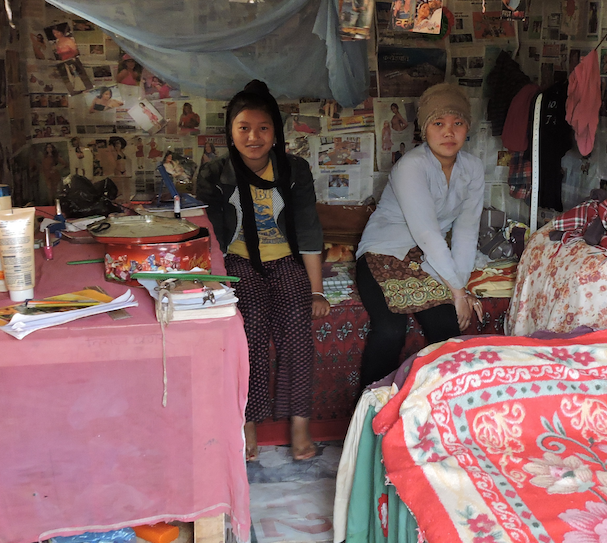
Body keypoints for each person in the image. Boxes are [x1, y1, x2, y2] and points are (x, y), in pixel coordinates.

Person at [194, 80, 327, 463]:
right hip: (238, 260)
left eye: (263, 128)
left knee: (297, 323)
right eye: (244, 128)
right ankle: (246, 422)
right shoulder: (216, 173)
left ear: (275, 133)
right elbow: (211, 238)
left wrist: (316, 291)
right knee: (248, 323)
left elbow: (308, 228)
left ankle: (300, 424)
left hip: (284, 259)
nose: (253, 137)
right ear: (230, 133)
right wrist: (212, 287)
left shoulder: (294, 170)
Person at [356, 83, 485, 388]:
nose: (448, 132)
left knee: (452, 327)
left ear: (467, 127)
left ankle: (436, 406)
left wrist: (461, 288)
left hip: (426, 259)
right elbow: (427, 232)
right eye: (438, 124)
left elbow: (467, 230)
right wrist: (455, 291)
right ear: (424, 130)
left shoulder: (473, 168)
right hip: (382, 252)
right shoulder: (411, 166)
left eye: (457, 123)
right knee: (389, 331)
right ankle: (371, 408)